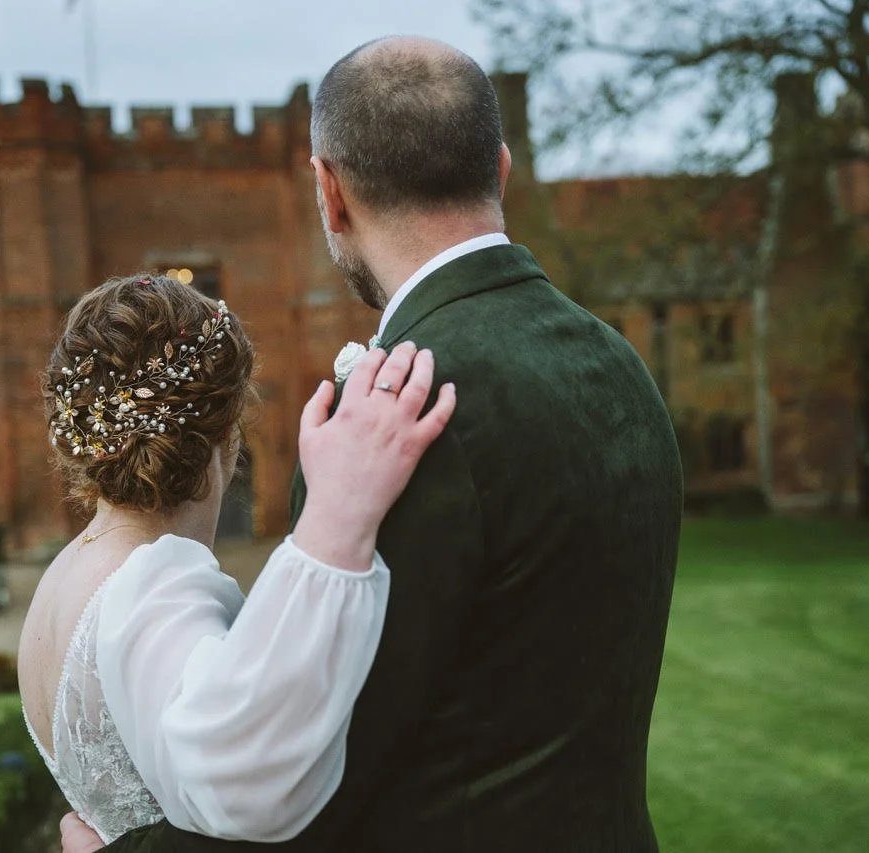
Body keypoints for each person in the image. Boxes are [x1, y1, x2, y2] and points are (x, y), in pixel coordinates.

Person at [78, 35, 683, 853]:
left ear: (330, 194)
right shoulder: (619, 362)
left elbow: (312, 784)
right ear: (499, 170)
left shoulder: (393, 410)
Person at [18, 273, 456, 843]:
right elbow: (246, 782)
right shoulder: (152, 579)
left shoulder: (60, 579)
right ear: (229, 434)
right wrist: (339, 513)